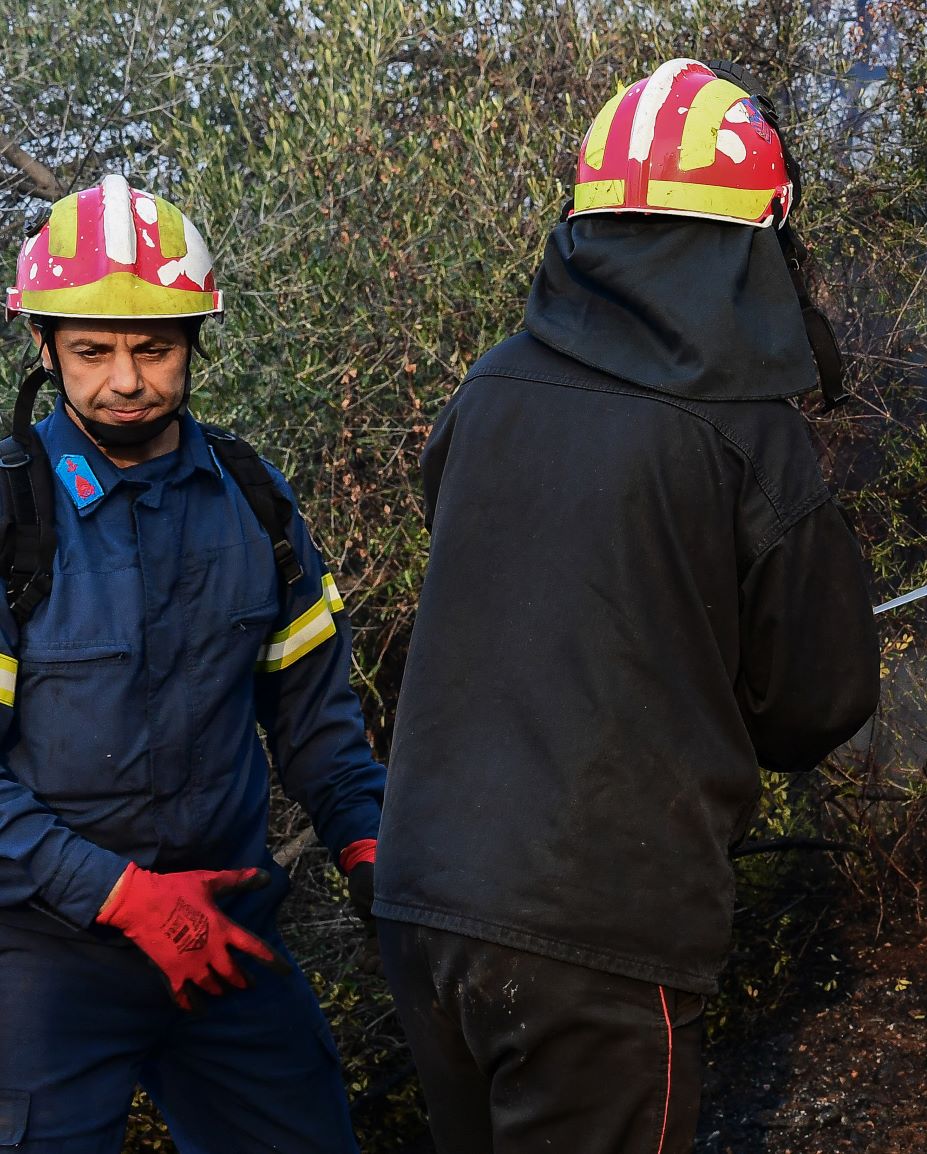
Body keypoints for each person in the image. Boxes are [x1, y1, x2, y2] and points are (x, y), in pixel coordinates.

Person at [374, 58, 881, 1154]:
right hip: (595, 935)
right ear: (757, 242)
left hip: (425, 909)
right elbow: (818, 701)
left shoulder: (490, 385)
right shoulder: (747, 433)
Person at [0, 174, 384, 1152]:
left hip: (225, 927)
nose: (125, 378)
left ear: (193, 345)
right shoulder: (12, 524)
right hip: (47, 948)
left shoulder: (251, 500)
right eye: (91, 351)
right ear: (43, 347)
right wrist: (126, 896)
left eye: (153, 347)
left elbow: (313, 716)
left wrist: (371, 845)